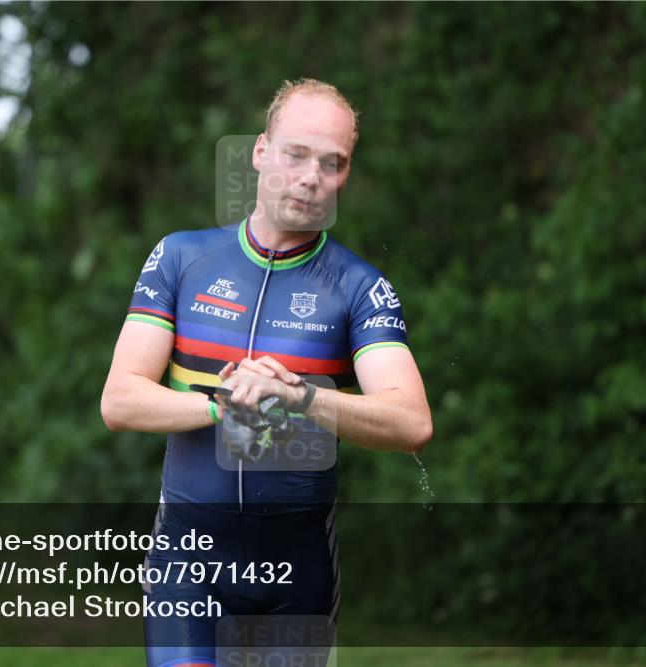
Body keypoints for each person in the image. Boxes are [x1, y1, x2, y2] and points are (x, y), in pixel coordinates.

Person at [101, 78, 432, 667]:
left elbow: (411, 423)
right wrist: (221, 403)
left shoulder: (359, 288)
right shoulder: (181, 258)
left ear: (345, 175)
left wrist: (302, 396)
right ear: (260, 151)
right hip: (188, 564)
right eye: (296, 154)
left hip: (297, 578)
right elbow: (120, 401)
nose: (311, 177)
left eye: (332, 163)